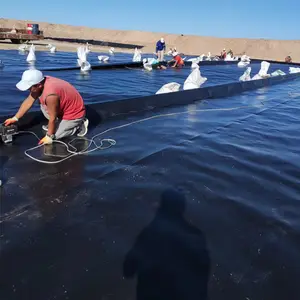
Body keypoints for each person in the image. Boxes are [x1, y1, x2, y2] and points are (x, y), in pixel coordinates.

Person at [4, 69, 88, 145]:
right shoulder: (41, 81)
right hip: (62, 107)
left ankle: (78, 125)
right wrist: (15, 118)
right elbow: (29, 100)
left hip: (74, 113)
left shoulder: (50, 95)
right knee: (43, 104)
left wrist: (49, 136)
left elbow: (52, 118)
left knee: (55, 136)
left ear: (39, 85)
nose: (28, 89)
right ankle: (60, 122)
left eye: (29, 87)